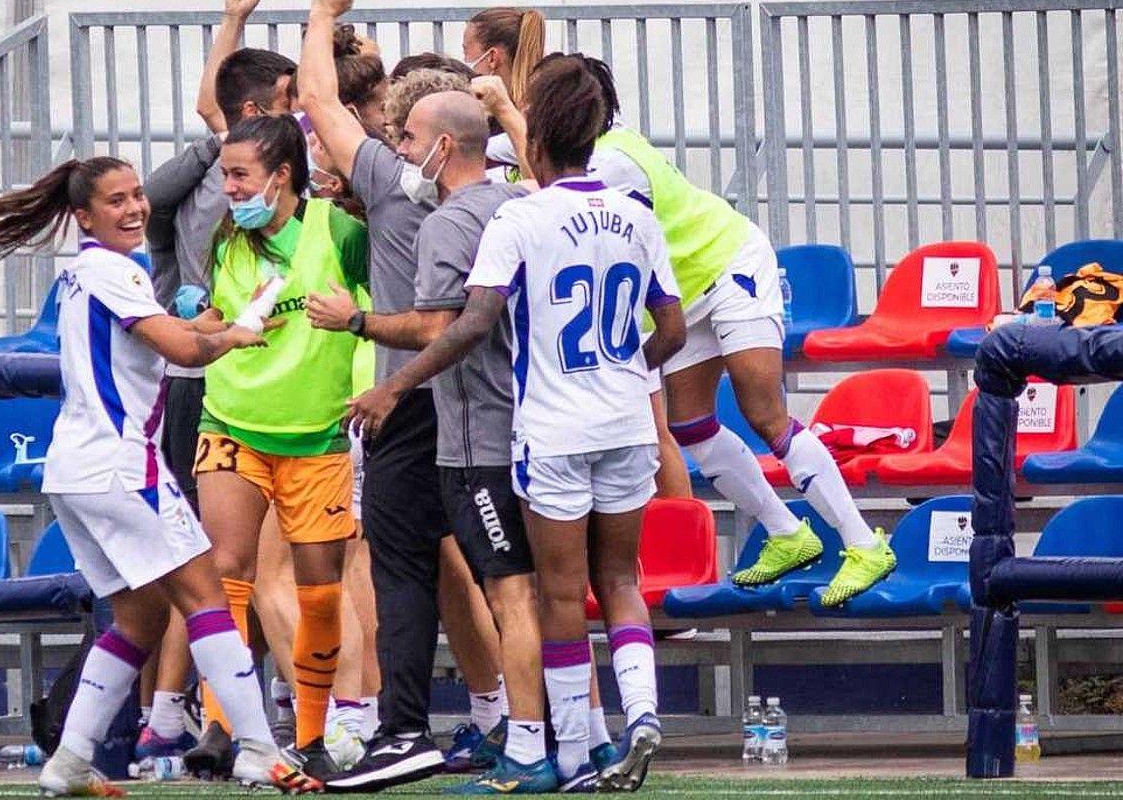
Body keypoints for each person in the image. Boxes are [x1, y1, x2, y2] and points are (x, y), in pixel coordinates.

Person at [0, 157, 318, 797]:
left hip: (76, 471)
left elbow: (168, 337)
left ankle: (70, 762)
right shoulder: (114, 269)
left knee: (138, 622)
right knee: (207, 597)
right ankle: (259, 749)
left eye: (137, 196)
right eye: (116, 201)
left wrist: (212, 323)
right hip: (120, 465)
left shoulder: (82, 273)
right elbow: (183, 352)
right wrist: (234, 334)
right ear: (84, 216)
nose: (134, 209)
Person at [349, 53, 686, 794]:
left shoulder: (520, 217)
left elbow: (470, 326)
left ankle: (553, 755)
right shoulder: (635, 214)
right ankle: (637, 719)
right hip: (627, 421)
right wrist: (631, 369)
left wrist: (394, 385)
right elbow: (675, 330)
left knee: (554, 597)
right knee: (621, 581)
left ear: (532, 141)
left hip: (554, 428)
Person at [308, 88, 576, 792]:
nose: (399, 149)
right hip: (538, 425)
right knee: (535, 588)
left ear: (444, 146)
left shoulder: (452, 222)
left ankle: (453, 738)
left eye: (408, 137)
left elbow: (441, 326)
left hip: (474, 431)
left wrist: (365, 336)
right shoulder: (522, 203)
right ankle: (563, 736)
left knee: (495, 588)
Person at [575, 55, 896, 605]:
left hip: (729, 266)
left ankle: (864, 543)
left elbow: (541, 185)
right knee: (691, 423)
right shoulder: (603, 142)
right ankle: (787, 532)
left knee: (762, 412)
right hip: (685, 293)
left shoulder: (610, 162)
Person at [139, 0, 298, 765]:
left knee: (256, 566)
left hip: (279, 396)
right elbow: (213, 113)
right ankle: (184, 715)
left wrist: (235, 19)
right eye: (286, 103)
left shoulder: (299, 196)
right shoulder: (203, 179)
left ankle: (243, 712)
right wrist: (232, 21)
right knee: (204, 563)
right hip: (202, 391)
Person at [192, 113, 368, 779]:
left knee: (318, 591)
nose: (229, 188)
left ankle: (314, 734)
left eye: (240, 176)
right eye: (225, 175)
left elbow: (376, 315)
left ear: (283, 175)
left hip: (317, 434)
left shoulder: (344, 233)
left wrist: (375, 390)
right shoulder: (225, 239)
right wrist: (190, 324)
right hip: (232, 422)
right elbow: (219, 317)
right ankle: (222, 725)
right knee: (224, 574)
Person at [462, 7, 546, 183]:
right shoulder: (546, 108)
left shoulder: (520, 118)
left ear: (492, 58)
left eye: (465, 52)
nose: (464, 63)